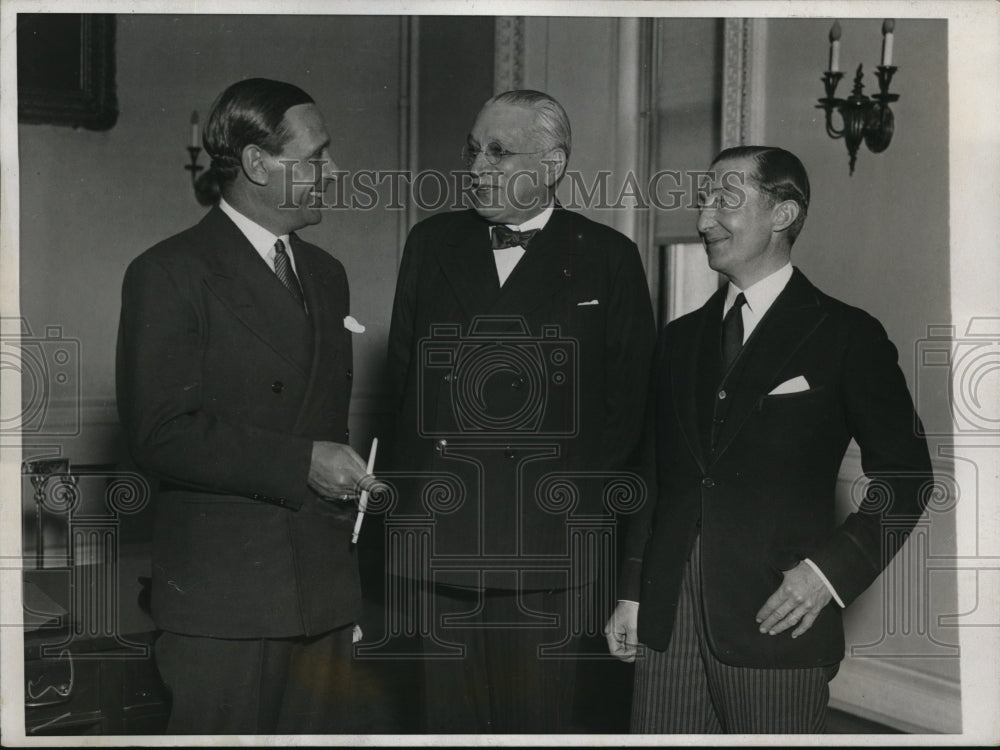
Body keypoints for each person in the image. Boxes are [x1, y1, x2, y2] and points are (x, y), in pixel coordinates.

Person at [604, 145, 933, 733]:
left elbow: (908, 479)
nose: (703, 219)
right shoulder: (678, 340)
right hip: (666, 623)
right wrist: (632, 592)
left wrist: (826, 575)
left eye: (724, 200)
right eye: (702, 201)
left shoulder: (847, 335)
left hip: (776, 620)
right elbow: (653, 478)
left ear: (783, 214)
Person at [386, 89, 655, 732]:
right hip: (445, 544)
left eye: (499, 152)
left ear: (553, 164)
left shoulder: (608, 257)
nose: (477, 166)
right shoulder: (431, 243)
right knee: (448, 729)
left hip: (552, 554)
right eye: (473, 150)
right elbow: (401, 396)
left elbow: (631, 419)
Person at [116, 78, 377, 734]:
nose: (332, 171)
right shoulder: (169, 272)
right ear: (258, 164)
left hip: (323, 592)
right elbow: (159, 433)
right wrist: (302, 463)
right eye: (315, 157)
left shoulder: (327, 274)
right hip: (225, 605)